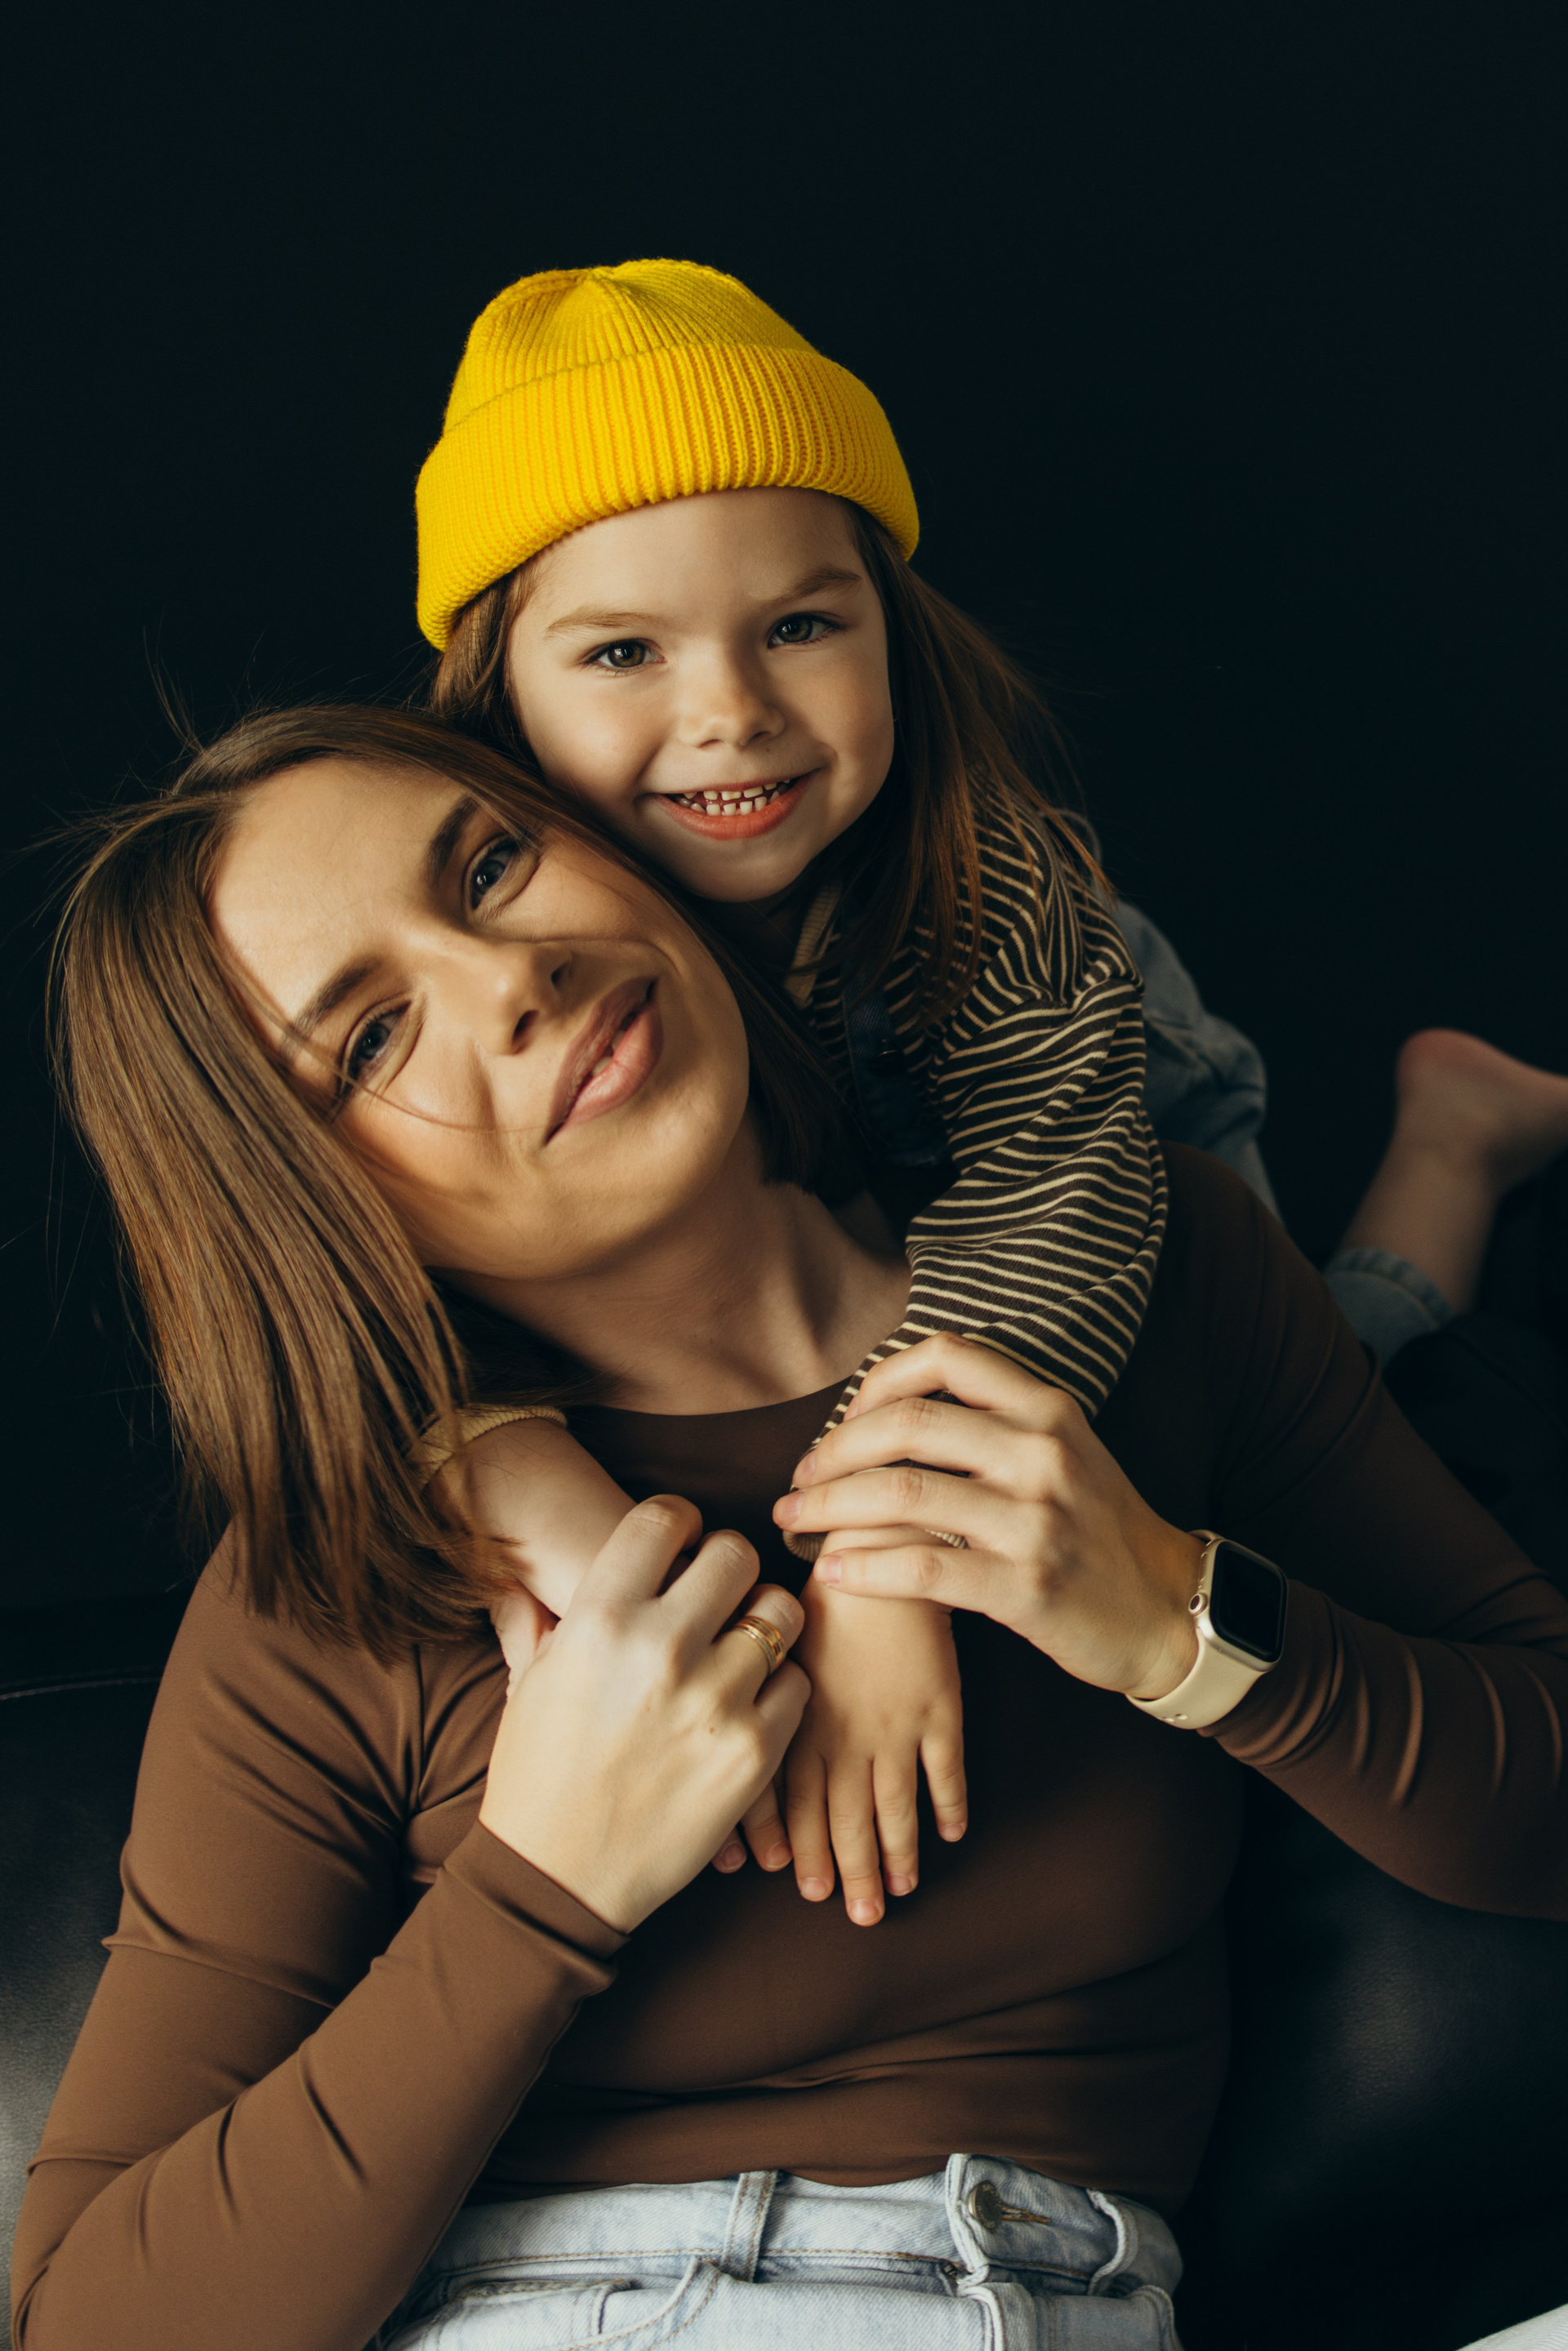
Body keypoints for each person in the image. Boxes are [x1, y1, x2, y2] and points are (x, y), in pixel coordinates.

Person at [16, 703, 1568, 2351]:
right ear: (311, 1200)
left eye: (488, 867)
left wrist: (1180, 1623)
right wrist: (544, 1883)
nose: (514, 977)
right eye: (372, 1039)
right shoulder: (356, 1581)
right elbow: (90, 2327)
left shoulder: (1171, 1278)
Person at [412, 257, 1268, 1920]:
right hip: (877, 1228)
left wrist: (885, 1566)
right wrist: (491, 1448)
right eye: (623, 652)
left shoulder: (990, 886)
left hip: (1122, 1121)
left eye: (800, 626)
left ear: (895, 630)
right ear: (496, 700)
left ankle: (1446, 1167)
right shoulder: (504, 943)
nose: (730, 715)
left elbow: (1052, 1203)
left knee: (1291, 1397)